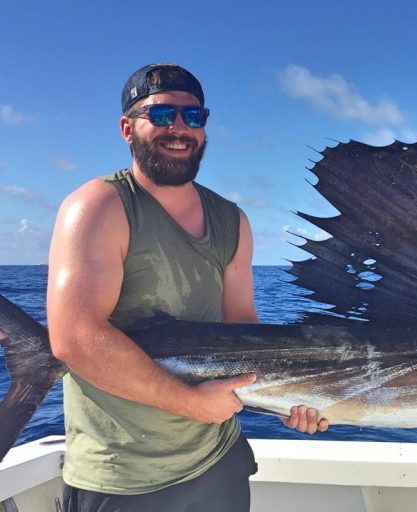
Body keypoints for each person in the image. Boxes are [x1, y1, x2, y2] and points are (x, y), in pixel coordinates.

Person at [47, 63, 328, 512]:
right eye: (160, 115)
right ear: (127, 128)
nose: (178, 128)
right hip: (124, 477)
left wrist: (292, 398)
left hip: (216, 461)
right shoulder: (99, 206)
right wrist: (189, 403)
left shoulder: (232, 219)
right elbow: (75, 339)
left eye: (192, 117)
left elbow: (244, 330)